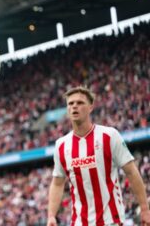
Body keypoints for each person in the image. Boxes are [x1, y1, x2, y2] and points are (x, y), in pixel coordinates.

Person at [47, 86, 150, 226]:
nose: (74, 106)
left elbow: (131, 172)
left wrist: (144, 208)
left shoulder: (109, 136)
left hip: (111, 220)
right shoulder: (61, 145)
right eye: (70, 103)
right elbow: (58, 183)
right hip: (79, 222)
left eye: (80, 103)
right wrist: (51, 215)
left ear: (90, 107)